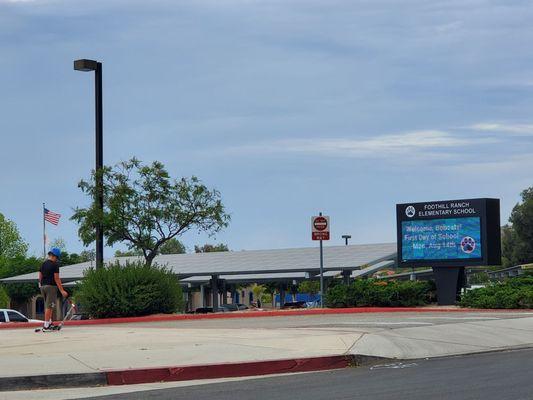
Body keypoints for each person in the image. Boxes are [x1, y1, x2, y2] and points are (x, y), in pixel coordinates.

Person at [38, 247, 68, 331]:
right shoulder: (55, 265)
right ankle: (46, 325)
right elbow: (57, 278)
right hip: (51, 287)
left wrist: (41, 285)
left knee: (48, 305)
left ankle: (50, 322)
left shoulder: (43, 264)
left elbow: (40, 276)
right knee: (50, 306)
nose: (57, 259)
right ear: (55, 256)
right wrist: (62, 290)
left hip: (43, 287)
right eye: (57, 258)